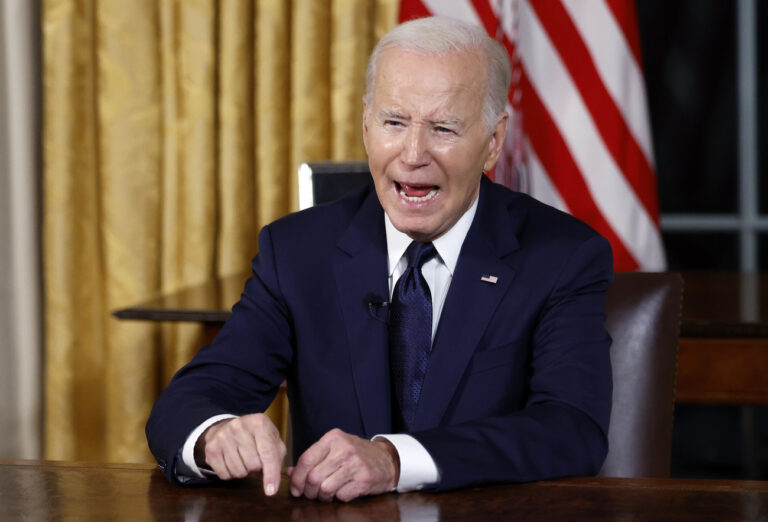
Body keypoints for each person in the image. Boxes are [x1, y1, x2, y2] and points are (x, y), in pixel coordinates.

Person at [146, 16, 613, 503]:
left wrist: (394, 460)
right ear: (366, 125)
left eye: (443, 128)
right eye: (394, 122)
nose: (413, 154)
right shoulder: (297, 252)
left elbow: (571, 428)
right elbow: (189, 400)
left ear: (493, 142)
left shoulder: (562, 256)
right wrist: (215, 434)